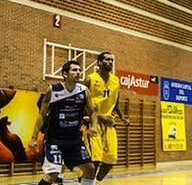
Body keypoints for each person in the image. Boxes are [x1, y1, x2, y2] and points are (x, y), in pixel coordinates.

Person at [29, 60, 98, 185]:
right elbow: (42, 115)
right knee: (53, 175)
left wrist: (94, 126)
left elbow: (92, 112)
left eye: (79, 70)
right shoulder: (53, 90)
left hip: (75, 140)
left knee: (90, 168)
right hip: (55, 140)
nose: (78, 73)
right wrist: (34, 137)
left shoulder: (84, 91)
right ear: (65, 74)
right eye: (74, 70)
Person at [83, 52, 129, 184]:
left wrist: (122, 117)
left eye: (112, 61)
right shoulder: (90, 79)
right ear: (99, 63)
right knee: (96, 159)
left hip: (109, 123)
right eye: (107, 60)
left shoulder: (115, 81)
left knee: (111, 159)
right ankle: (87, 182)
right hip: (93, 122)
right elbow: (81, 103)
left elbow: (116, 102)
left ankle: (96, 182)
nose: (110, 62)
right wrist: (99, 116)